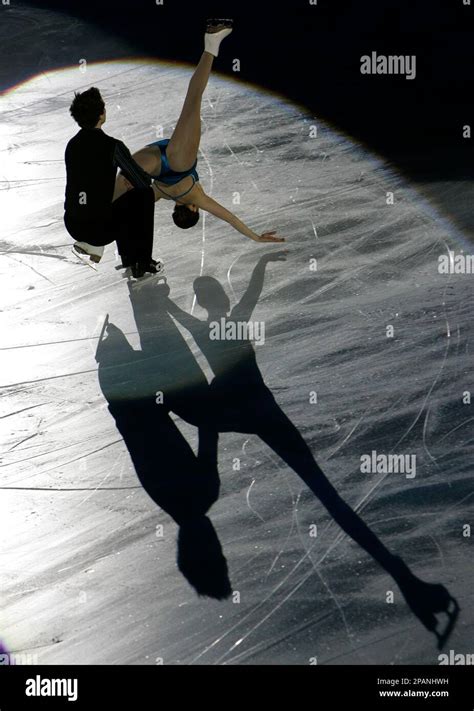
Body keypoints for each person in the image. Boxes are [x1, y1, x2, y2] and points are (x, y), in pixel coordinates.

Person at [114, 19, 286, 244]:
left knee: (193, 98)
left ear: (194, 209)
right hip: (154, 161)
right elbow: (129, 211)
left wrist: (255, 237)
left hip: (178, 162)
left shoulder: (196, 196)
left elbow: (229, 217)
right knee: (117, 190)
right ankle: (92, 237)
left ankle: (211, 44)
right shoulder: (160, 195)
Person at [64, 87, 163, 277]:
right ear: (101, 115)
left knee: (113, 203)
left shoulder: (71, 145)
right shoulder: (113, 146)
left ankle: (125, 258)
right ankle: (141, 261)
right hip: (99, 229)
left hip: (73, 223)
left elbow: (84, 182)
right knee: (143, 195)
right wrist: (129, 181)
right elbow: (142, 181)